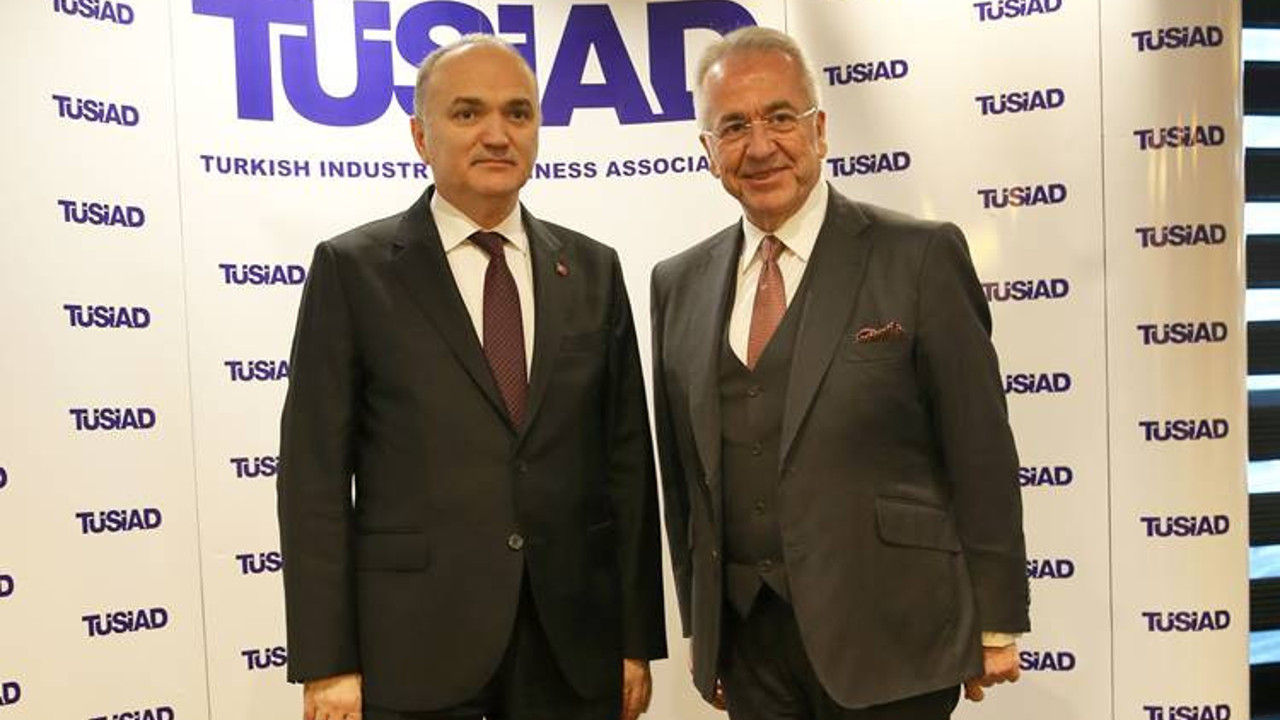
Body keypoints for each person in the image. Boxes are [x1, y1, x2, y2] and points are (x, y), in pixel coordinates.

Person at [278, 34, 666, 720]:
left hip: (572, 649)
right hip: (413, 649)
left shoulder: (594, 269)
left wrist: (636, 640)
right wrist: (328, 660)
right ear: (420, 137)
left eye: (518, 113)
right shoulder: (353, 270)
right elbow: (314, 478)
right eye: (467, 113)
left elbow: (627, 465)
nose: (496, 134)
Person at [649, 26, 1030, 720]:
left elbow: (980, 448)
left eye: (780, 118)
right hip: (751, 644)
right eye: (733, 127)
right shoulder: (677, 283)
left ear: (819, 130)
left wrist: (997, 619)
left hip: (895, 635)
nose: (759, 146)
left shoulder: (918, 255)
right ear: (707, 152)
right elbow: (683, 481)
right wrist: (706, 633)